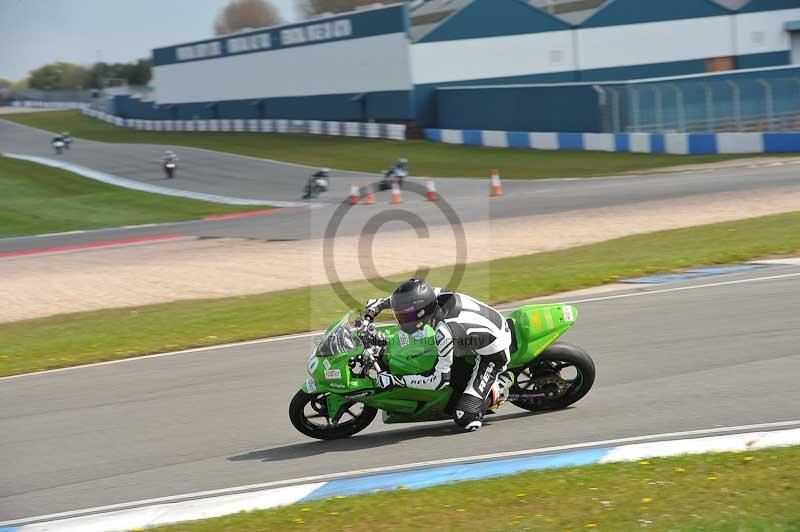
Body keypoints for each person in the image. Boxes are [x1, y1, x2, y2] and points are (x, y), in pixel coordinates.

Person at [365, 278, 515, 432]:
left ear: (421, 312)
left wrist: (395, 380)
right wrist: (378, 306)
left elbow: (438, 381)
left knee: (465, 417)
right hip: (477, 335)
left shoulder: (444, 333)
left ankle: (500, 386)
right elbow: (408, 300)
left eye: (404, 316)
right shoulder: (435, 297)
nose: (401, 320)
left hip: (493, 354)